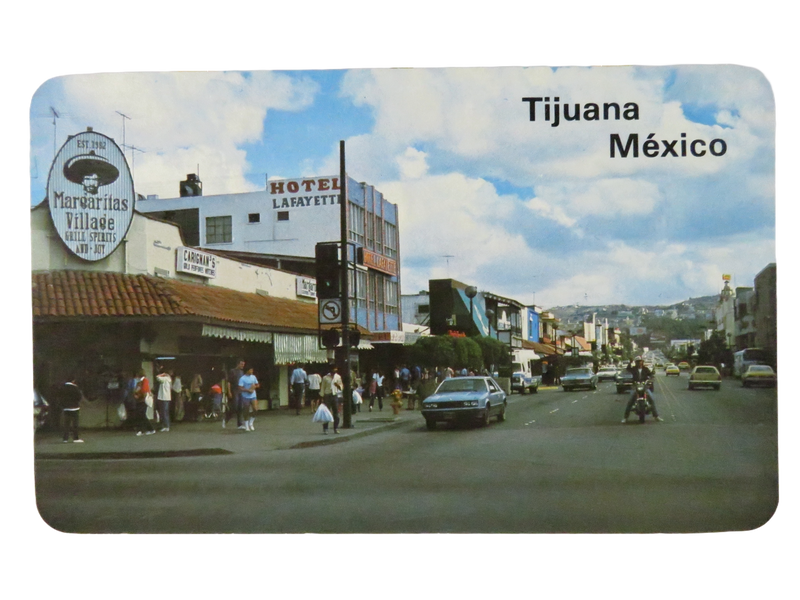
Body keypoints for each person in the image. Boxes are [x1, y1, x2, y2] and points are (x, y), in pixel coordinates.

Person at [622, 356, 663, 423]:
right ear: (635, 362)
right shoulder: (633, 369)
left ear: (642, 362)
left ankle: (656, 416)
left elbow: (651, 375)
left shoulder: (645, 369)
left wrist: (650, 380)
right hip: (635, 386)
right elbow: (628, 369)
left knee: (651, 399)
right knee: (630, 401)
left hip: (644, 386)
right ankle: (625, 417)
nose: (639, 363)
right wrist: (630, 362)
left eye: (640, 361)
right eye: (637, 361)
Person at [59, 376, 84, 443]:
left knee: (66, 424)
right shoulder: (75, 388)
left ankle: (65, 438)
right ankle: (75, 438)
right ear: (73, 380)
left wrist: (63, 405)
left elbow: (59, 397)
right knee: (75, 423)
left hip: (66, 408)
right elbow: (79, 397)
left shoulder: (62, 388)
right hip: (74, 408)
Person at [132, 369, 156, 436]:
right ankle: (149, 429)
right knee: (142, 415)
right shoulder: (141, 381)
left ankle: (141, 430)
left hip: (142, 400)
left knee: (141, 414)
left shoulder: (143, 381)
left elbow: (144, 390)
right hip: (141, 399)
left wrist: (139, 395)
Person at [320, 366, 343, 434]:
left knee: (336, 413)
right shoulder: (325, 378)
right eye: (333, 371)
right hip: (327, 395)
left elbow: (341, 387)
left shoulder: (338, 377)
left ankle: (335, 428)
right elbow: (322, 387)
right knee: (326, 412)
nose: (334, 373)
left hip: (334, 395)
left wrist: (338, 385)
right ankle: (325, 428)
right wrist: (322, 397)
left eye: (335, 371)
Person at [238, 367, 260, 431]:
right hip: (245, 396)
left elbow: (257, 384)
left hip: (253, 395)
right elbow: (240, 387)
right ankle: (246, 424)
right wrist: (248, 390)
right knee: (246, 410)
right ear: (247, 371)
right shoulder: (242, 378)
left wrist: (254, 387)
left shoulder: (253, 377)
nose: (252, 371)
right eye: (250, 370)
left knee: (255, 409)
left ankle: (251, 422)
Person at [226, 359, 245, 429]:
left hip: (240, 391)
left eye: (243, 364)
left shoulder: (242, 372)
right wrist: (229, 391)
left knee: (240, 407)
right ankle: (227, 417)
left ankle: (239, 424)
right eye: (242, 364)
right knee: (234, 406)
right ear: (238, 364)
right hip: (234, 390)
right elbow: (228, 382)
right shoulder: (232, 371)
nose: (243, 366)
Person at [155, 366, 172, 432]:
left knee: (164, 412)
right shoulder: (169, 378)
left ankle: (166, 426)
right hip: (165, 397)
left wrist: (162, 374)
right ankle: (165, 425)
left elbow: (157, 377)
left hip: (163, 397)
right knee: (165, 412)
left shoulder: (165, 378)